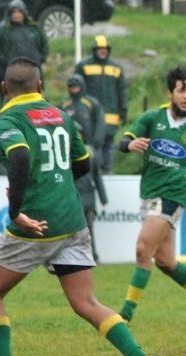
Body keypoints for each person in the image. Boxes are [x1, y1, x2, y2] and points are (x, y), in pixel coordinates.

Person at [0, 58, 162, 356]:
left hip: (36, 225)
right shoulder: (60, 116)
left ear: (5, 88)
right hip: (72, 220)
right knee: (86, 302)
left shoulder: (9, 119)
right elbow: (83, 164)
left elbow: (19, 158)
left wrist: (16, 209)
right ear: (40, 86)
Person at [116, 66, 186, 323]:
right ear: (170, 93)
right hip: (151, 193)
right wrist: (130, 144)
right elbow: (123, 142)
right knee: (166, 261)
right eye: (182, 90)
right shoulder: (152, 118)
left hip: (173, 196)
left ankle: (126, 313)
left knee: (143, 249)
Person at [61, 74, 108, 261]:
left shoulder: (91, 104)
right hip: (72, 196)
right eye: (70, 86)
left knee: (88, 228)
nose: (73, 89)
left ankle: (92, 255)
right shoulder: (63, 106)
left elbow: (97, 177)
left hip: (87, 196)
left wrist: (103, 198)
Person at [75, 35, 127, 175]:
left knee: (109, 146)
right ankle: (93, 173)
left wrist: (124, 110)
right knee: (92, 145)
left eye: (105, 49)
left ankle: (107, 173)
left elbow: (121, 90)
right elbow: (77, 90)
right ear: (94, 50)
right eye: (100, 49)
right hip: (90, 115)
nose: (102, 52)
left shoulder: (116, 68)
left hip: (111, 115)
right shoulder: (83, 66)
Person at [0, 0, 48, 103]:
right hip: (9, 76)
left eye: (19, 12)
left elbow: (44, 46)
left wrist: (38, 60)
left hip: (32, 74)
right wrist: (5, 63)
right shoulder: (1, 30)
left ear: (24, 13)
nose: (16, 15)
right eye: (14, 12)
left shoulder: (33, 29)